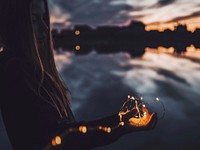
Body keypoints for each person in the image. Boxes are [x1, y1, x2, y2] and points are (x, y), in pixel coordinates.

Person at [0, 0, 157, 150]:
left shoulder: (31, 69)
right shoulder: (14, 70)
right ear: (14, 23)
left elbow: (62, 131)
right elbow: (60, 137)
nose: (44, 27)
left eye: (43, 18)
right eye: (34, 19)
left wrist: (119, 122)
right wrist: (120, 124)